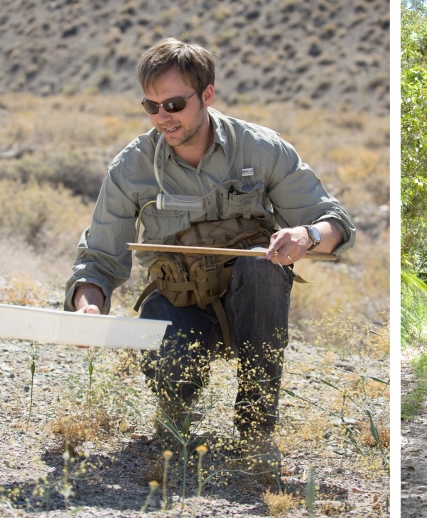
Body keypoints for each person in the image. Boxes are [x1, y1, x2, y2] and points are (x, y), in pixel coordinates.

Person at [64, 38, 355, 472]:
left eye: (175, 104)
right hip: (180, 305)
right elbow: (99, 261)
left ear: (207, 95)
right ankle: (175, 419)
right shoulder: (131, 168)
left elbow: (336, 223)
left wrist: (308, 234)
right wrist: (88, 307)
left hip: (250, 307)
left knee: (262, 266)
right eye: (151, 106)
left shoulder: (261, 148)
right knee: (167, 353)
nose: (163, 117)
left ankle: (256, 431)